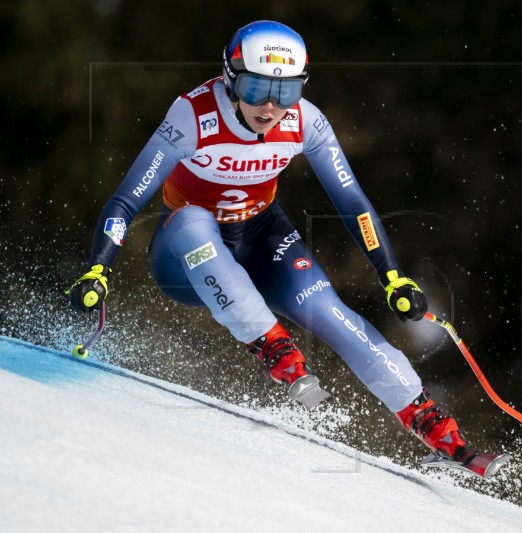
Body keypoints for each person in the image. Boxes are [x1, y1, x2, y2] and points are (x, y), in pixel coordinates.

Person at [67, 20, 483, 463]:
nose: (269, 105)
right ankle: (274, 347)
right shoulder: (192, 116)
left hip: (262, 239)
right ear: (230, 79)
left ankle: (429, 421)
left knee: (326, 309)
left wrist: (392, 276)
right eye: (254, 89)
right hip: (186, 256)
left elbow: (353, 202)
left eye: (285, 92)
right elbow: (127, 199)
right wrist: (99, 267)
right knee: (191, 219)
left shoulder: (307, 121)